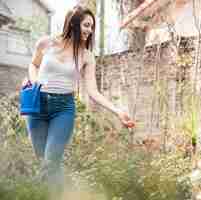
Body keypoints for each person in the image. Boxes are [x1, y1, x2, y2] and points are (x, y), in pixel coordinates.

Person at [24, 5, 135, 198]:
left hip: (63, 109)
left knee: (51, 161)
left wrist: (117, 111)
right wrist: (34, 82)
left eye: (92, 27)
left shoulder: (86, 56)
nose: (90, 30)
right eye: (86, 25)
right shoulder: (46, 43)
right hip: (37, 105)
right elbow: (33, 65)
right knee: (45, 162)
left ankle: (35, 192)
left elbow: (93, 91)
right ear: (73, 22)